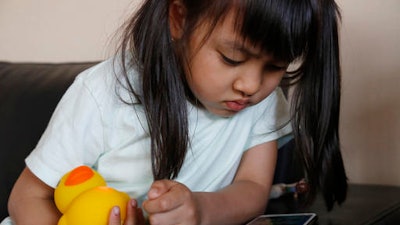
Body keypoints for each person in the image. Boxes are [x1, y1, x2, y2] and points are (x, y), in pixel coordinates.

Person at [2, 0, 348, 224]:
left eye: (275, 66)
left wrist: (198, 210)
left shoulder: (260, 101)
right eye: (232, 59)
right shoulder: (104, 92)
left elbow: (252, 189)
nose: (251, 84)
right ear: (179, 18)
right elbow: (27, 196)